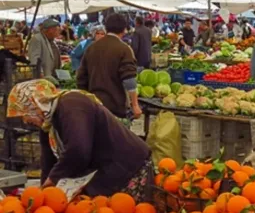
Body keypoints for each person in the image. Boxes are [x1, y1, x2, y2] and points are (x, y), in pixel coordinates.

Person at [7, 79, 152, 201]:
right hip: (103, 171)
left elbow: (78, 150)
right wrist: (43, 193)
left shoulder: (71, 105)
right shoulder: (48, 124)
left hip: (128, 167)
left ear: (35, 102)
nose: (25, 120)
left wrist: (53, 180)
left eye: (24, 113)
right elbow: (48, 161)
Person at [76, 13, 141, 123]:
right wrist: (135, 105)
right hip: (115, 106)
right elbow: (129, 79)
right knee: (114, 137)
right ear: (124, 29)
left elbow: (81, 78)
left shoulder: (91, 47)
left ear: (106, 28)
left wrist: (87, 100)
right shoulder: (124, 49)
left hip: (95, 104)